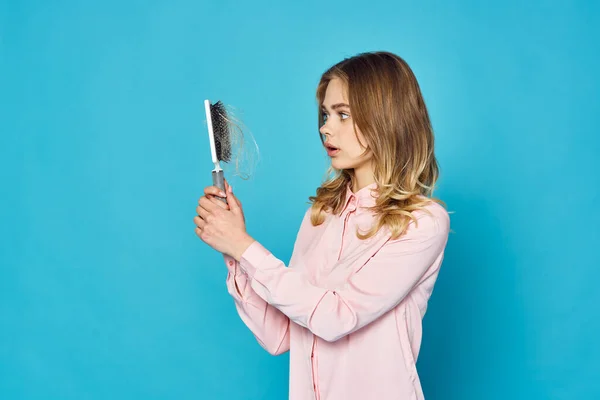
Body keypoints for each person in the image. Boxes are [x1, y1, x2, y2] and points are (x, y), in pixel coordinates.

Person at [193, 51, 450, 400]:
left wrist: (243, 246)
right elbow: (279, 335)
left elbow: (336, 317)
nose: (325, 127)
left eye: (343, 114)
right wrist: (233, 253)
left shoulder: (421, 223)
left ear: (385, 118)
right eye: (326, 114)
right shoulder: (322, 213)